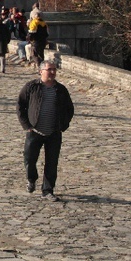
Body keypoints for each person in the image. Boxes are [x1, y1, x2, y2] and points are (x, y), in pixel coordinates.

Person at [17, 60, 75, 201]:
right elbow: (20, 106)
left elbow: (69, 108)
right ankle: (31, 179)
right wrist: (27, 126)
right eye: (49, 69)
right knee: (30, 160)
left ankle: (47, 190)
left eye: (54, 69)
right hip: (34, 131)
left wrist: (63, 125)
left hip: (54, 132)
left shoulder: (60, 89)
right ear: (41, 71)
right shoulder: (31, 87)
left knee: (52, 162)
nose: (52, 72)